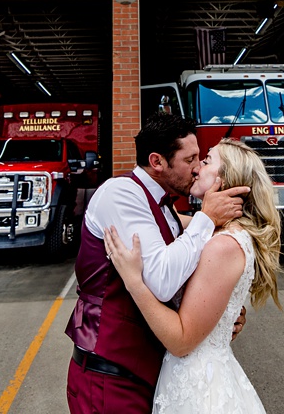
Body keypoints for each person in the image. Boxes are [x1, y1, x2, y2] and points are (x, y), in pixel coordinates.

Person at [65, 113, 250, 414]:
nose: (196, 168)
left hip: (147, 373)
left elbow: (197, 258)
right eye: (190, 159)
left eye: (201, 158)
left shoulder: (164, 206)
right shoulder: (121, 194)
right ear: (157, 161)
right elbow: (163, 282)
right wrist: (207, 217)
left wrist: (221, 313)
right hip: (110, 377)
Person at [104, 138, 283, 414]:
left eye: (206, 160)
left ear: (224, 180)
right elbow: (174, 221)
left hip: (200, 391)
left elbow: (181, 340)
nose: (197, 168)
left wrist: (134, 283)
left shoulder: (223, 245)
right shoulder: (216, 232)